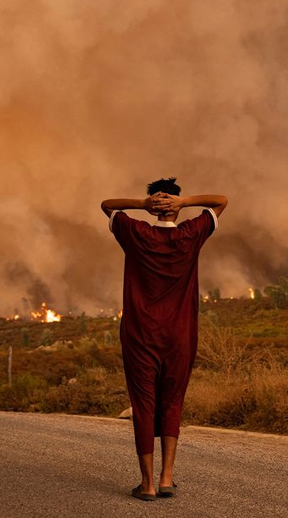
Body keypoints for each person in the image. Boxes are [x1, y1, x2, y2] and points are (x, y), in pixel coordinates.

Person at [101, 178, 228, 501]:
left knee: (143, 405)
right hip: (180, 336)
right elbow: (221, 201)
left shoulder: (136, 233)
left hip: (140, 335)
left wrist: (141, 206)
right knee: (173, 401)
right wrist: (185, 203)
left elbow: (107, 205)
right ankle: (167, 478)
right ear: (174, 203)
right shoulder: (191, 234)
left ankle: (147, 485)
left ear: (155, 205)